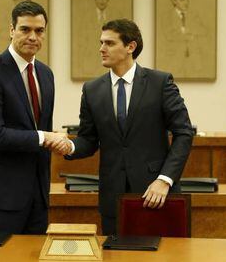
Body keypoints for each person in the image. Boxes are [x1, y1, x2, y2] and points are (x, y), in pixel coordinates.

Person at [51, 19, 194, 235]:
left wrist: (164, 180)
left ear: (130, 47)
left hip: (156, 193)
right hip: (113, 198)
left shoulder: (160, 82)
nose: (101, 49)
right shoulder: (92, 90)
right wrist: (69, 146)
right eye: (101, 43)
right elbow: (88, 140)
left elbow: (184, 133)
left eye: (109, 43)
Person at [0, 1, 66, 234]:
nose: (33, 36)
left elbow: (40, 127)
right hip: (1, 198)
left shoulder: (46, 74)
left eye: (39, 30)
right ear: (11, 30)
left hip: (38, 196)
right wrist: (45, 137)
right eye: (25, 29)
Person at [159, 0, 208, 77]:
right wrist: (189, 36)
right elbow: (169, 35)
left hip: (194, 58)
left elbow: (203, 30)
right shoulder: (167, 16)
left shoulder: (193, 15)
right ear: (174, 1)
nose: (186, 3)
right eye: (182, 0)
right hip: (174, 58)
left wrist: (186, 30)